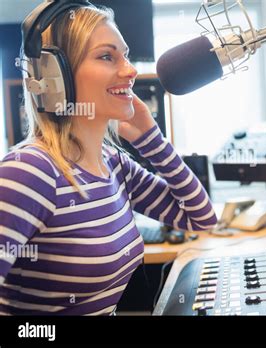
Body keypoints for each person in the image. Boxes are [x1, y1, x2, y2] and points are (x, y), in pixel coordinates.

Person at [0, 4, 217, 315]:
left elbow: (201, 218)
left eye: (125, 56)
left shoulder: (113, 164)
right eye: (107, 56)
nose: (130, 70)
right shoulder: (29, 171)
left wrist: (151, 138)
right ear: (54, 76)